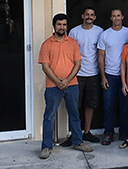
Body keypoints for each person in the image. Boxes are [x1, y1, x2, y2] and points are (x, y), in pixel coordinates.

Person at [38, 13, 93, 159]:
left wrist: (67, 80)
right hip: (52, 86)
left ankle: (78, 142)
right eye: (59, 24)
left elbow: (77, 64)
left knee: (74, 114)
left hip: (72, 84)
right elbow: (45, 67)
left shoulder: (73, 43)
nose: (61, 27)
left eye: (64, 24)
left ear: (66, 26)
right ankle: (46, 147)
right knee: (49, 116)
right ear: (54, 26)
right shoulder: (46, 44)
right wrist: (58, 81)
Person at [97, 8, 128, 145]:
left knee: (125, 106)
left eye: (118, 16)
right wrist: (103, 76)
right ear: (110, 18)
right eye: (113, 16)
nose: (116, 18)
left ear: (122, 17)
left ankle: (124, 132)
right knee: (108, 106)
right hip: (110, 75)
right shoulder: (104, 34)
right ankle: (108, 133)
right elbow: (101, 56)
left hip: (127, 75)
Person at [69, 7, 103, 143]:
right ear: (82, 16)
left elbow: (101, 53)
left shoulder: (99, 32)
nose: (89, 17)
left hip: (93, 73)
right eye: (87, 14)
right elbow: (68, 52)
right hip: (76, 74)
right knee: (74, 105)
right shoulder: (74, 32)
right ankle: (74, 134)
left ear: (95, 17)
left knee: (90, 104)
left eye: (92, 15)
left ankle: (87, 132)